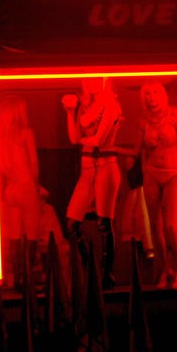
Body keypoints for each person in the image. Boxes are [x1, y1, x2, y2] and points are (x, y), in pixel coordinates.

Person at [120, 82, 177, 289]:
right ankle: (164, 270)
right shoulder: (144, 120)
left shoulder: (176, 113)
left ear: (162, 95)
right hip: (151, 172)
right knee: (155, 225)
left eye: (155, 93)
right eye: (147, 94)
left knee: (170, 224)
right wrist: (112, 148)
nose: (151, 97)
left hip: (173, 173)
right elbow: (135, 151)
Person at [61, 77, 123, 289]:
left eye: (98, 78)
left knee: (104, 224)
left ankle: (107, 274)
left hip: (106, 164)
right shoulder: (86, 106)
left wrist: (83, 137)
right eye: (89, 79)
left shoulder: (111, 105)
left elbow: (96, 139)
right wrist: (70, 113)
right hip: (87, 167)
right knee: (72, 222)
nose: (93, 82)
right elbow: (73, 138)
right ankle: (90, 268)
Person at [0, 94, 43, 290]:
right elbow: (33, 163)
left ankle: (16, 277)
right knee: (32, 233)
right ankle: (27, 276)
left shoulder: (0, 137)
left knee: (15, 234)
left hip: (11, 187)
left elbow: (2, 167)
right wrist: (38, 185)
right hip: (26, 185)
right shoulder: (26, 133)